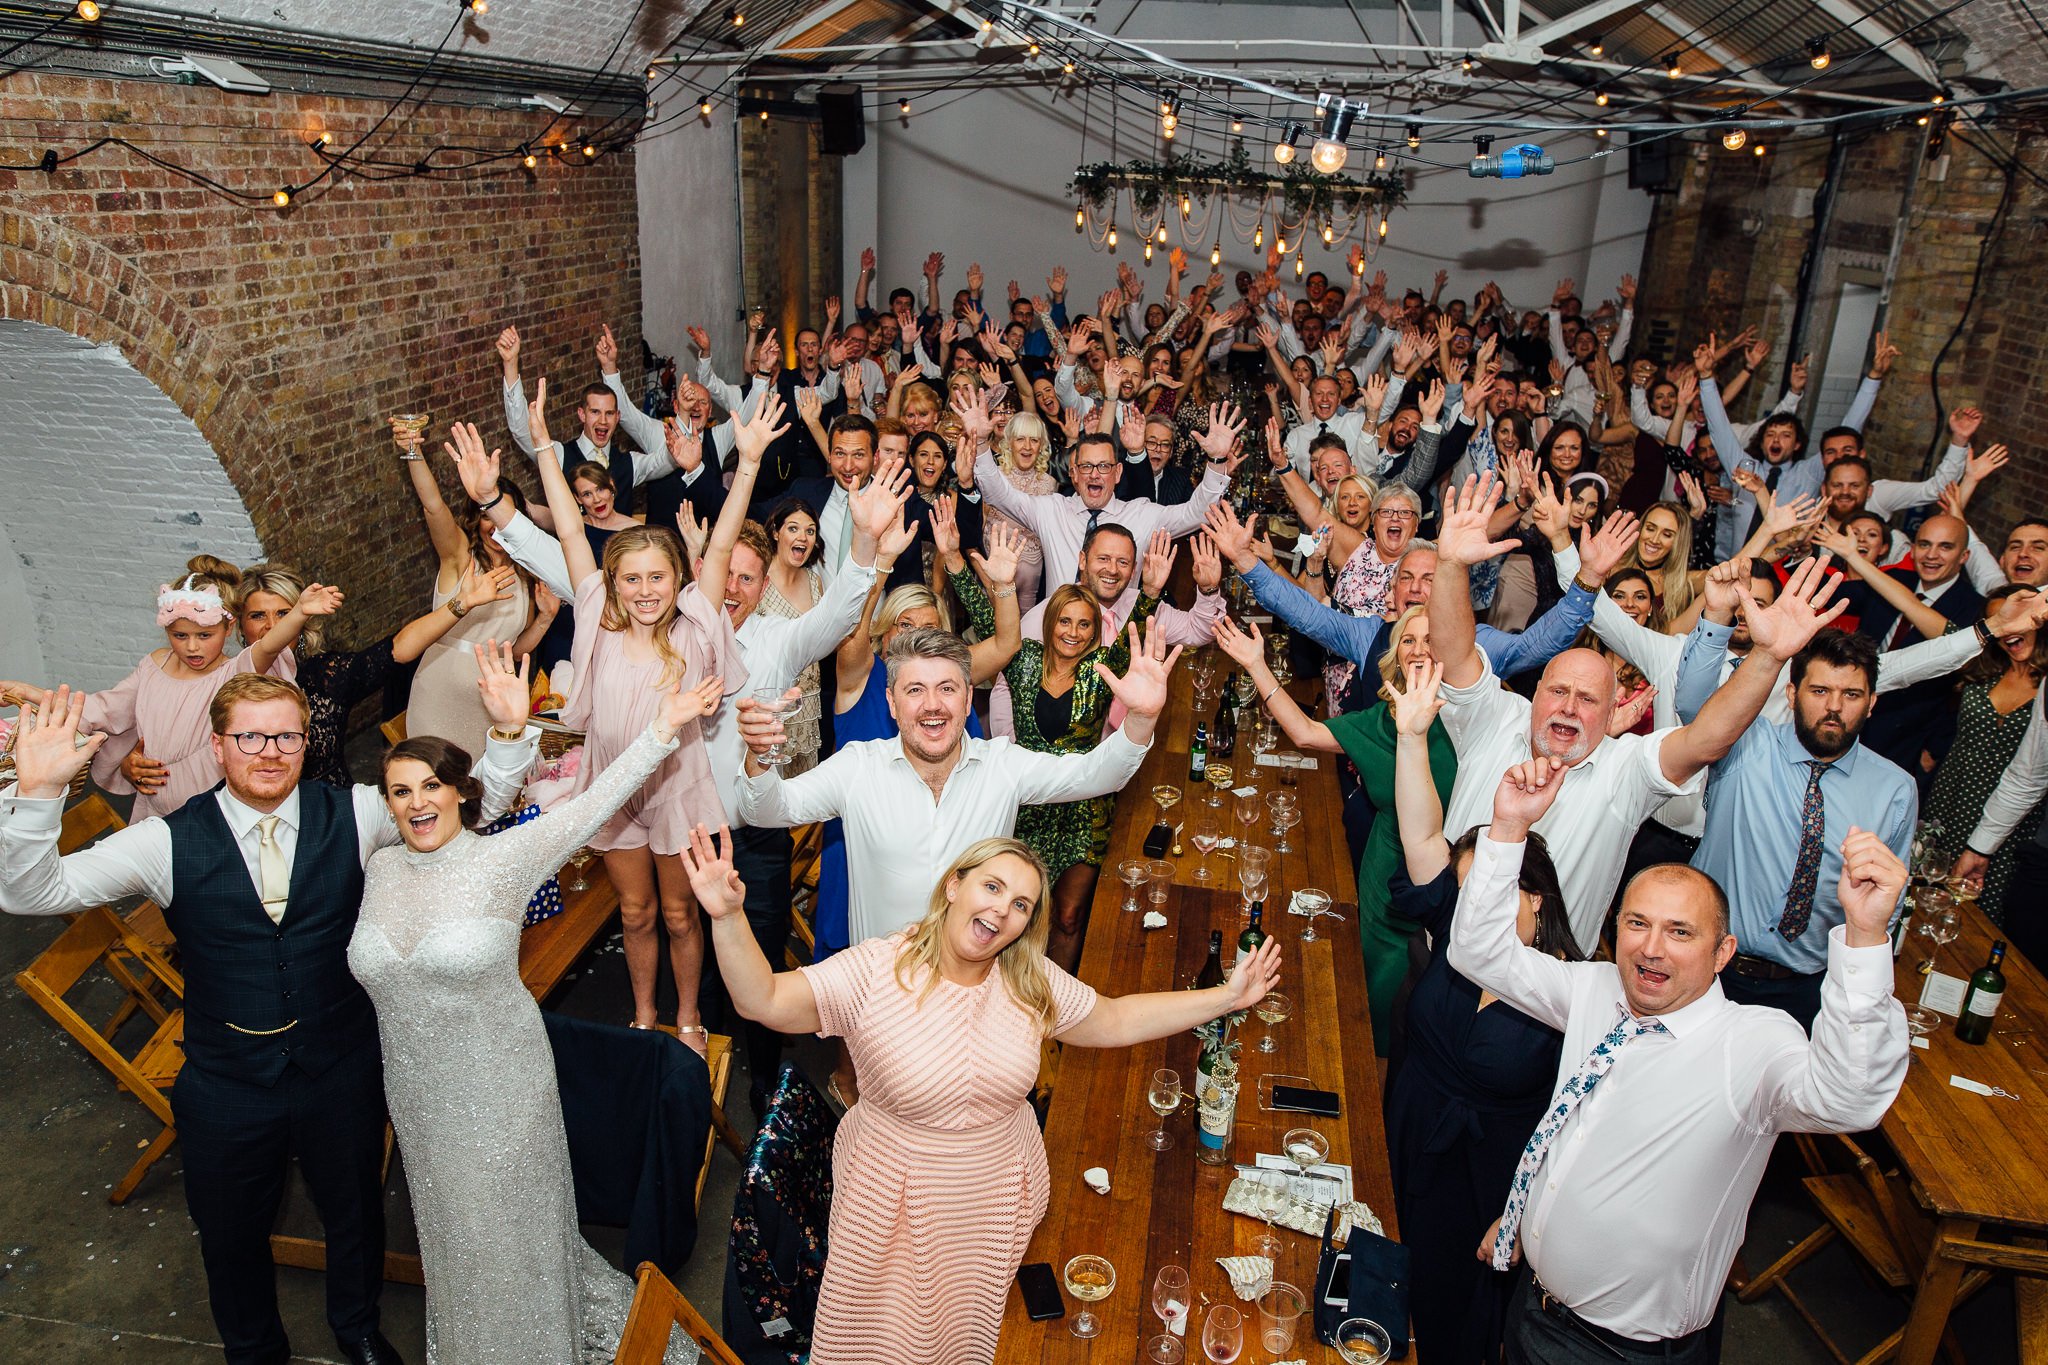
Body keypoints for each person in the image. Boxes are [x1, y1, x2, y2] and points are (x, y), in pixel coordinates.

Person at [0, 669, 538, 1365]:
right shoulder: (167, 840)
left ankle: (358, 1328)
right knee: (229, 1236)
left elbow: (470, 803)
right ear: (218, 745)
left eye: (285, 734)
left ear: (306, 742)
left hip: (339, 1064)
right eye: (249, 735)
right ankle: (254, 1351)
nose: (269, 750)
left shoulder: (356, 811)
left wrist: (507, 732)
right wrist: (39, 791)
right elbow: (31, 890)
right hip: (226, 1079)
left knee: (355, 1215)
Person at [680, 828, 1282, 1365]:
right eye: (992, 887)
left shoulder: (1026, 980)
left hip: (999, 1200)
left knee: (979, 1339)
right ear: (952, 887)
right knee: (882, 1346)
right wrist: (728, 917)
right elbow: (761, 1001)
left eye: (1021, 904)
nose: (1003, 910)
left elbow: (1117, 1018)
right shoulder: (874, 970)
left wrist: (1225, 998)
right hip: (894, 1204)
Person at [1450, 759, 1909, 1363]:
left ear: (1723, 953)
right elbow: (1479, 953)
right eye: (1637, 923)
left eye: (1680, 932)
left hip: (1620, 1352)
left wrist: (1867, 936)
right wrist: (1507, 827)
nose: (1652, 947)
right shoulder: (1596, 991)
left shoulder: (1750, 1042)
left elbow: (1850, 1096)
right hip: (1533, 1304)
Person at [352, 645, 711, 1364]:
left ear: (462, 791)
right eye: (400, 791)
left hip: (503, 1089)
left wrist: (661, 728)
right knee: (456, 1240)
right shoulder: (380, 868)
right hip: (420, 1100)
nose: (418, 801)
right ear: (386, 803)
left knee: (509, 1234)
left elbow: (595, 802)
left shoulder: (502, 858)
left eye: (432, 786)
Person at [1427, 474, 1850, 952]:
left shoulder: (1625, 769)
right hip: (1443, 951)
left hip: (1544, 989)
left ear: (1612, 712)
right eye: (1558, 691)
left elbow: (1705, 739)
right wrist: (1448, 565)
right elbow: (1455, 654)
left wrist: (1768, 657)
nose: (1568, 707)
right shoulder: (1496, 720)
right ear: (1534, 690)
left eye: (1587, 700)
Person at [451, 384, 757, 1044]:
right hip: (612, 788)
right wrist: (538, 450)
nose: (646, 590)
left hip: (678, 789)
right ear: (613, 583)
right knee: (637, 910)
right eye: (632, 579)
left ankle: (688, 1016)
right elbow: (566, 527)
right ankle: (645, 1013)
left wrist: (751, 462)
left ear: (679, 579)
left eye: (658, 578)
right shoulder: (593, 608)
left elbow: (725, 544)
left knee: (680, 913)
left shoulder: (697, 620)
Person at [734, 620, 1174, 949]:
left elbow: (1098, 773)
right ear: (891, 702)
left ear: (968, 699)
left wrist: (1141, 717)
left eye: (947, 689)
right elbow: (768, 811)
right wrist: (757, 758)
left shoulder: (1002, 766)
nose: (932, 706)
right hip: (883, 999)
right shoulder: (857, 769)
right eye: (914, 690)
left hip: (979, 993)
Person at [1380, 657, 1580, 1365]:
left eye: (1494, 897)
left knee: (1452, 1315)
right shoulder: (1458, 932)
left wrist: (1523, 1210)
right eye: (1468, 898)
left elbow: (1571, 1123)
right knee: (1381, 1277)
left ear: (1538, 898)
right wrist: (1411, 739)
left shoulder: (1571, 994)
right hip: (1407, 1129)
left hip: (1483, 1180)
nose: (1476, 914)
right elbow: (1419, 834)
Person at [1677, 584, 1916, 1031]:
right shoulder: (1748, 744)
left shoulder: (1895, 789)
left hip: (1806, 992)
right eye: (1820, 690)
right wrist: (1716, 616)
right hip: (1708, 970)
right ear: (1791, 694)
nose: (1833, 708)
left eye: (1851, 695)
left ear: (1871, 705)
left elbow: (1890, 904)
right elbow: (1692, 706)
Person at [5, 556, 321, 821]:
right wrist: (25, 690)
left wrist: (300, 612)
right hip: (154, 808)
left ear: (229, 627)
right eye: (179, 636)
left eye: (204, 636)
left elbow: (268, 646)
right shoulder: (153, 667)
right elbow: (101, 709)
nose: (192, 647)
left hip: (213, 810)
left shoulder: (234, 673)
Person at [999, 538, 1168, 968]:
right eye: (1065, 622)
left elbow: (1131, 644)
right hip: (1030, 806)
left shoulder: (1099, 671)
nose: (1073, 633)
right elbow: (988, 621)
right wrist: (953, 561)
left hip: (1084, 809)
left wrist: (1149, 594)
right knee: (1022, 914)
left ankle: (1056, 1013)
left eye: (1085, 625)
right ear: (1050, 622)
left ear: (1095, 633)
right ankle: (1015, 999)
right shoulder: (1022, 661)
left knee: (1069, 917)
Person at [231, 562, 519, 787]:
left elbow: (398, 649)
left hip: (331, 816)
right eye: (258, 615)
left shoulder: (326, 676)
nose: (271, 626)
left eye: (283, 614)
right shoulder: (225, 682)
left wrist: (461, 604)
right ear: (240, 626)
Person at [966, 411, 1241, 595]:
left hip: (1115, 647)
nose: (1095, 474)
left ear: (1118, 473)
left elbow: (1196, 514)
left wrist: (1216, 462)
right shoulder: (1051, 509)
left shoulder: (1142, 514)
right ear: (1073, 474)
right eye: (1086, 466)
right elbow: (998, 494)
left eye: (1104, 466)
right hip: (1057, 640)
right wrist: (979, 443)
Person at [401, 444, 550, 754]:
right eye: (486, 516)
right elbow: (432, 506)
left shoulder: (525, 573)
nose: (494, 526)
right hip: (440, 698)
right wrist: (413, 450)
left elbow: (513, 649)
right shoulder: (459, 556)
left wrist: (545, 619)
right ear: (475, 518)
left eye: (502, 516)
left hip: (490, 705)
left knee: (482, 790)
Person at [1925, 587, 2047, 924]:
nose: (2011, 630)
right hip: (1953, 798)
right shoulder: (1982, 670)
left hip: (2013, 819)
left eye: (2021, 620)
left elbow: (2031, 775)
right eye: (2002, 623)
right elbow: (1935, 637)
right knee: (1929, 888)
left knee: (1985, 910)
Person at [755, 497, 828, 773]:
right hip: (770, 698)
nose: (803, 537)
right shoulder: (759, 578)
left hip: (807, 700)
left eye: (810, 531)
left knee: (801, 794)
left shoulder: (814, 581)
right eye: (793, 528)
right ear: (776, 532)